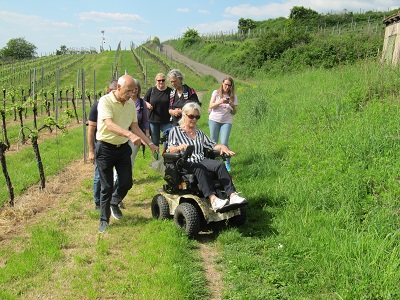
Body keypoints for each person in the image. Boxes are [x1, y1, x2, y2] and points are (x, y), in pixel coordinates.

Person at [96, 75, 159, 233]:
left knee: (127, 182)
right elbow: (109, 125)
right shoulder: (105, 101)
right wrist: (129, 135)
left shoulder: (130, 103)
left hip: (122, 148)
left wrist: (150, 143)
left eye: (134, 91)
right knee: (107, 186)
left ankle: (114, 201)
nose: (131, 94)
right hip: (105, 148)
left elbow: (135, 127)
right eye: (128, 91)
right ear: (118, 87)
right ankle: (104, 220)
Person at [167, 102, 247, 212]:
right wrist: (179, 148)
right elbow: (170, 149)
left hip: (200, 159)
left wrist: (222, 147)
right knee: (199, 168)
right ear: (184, 115)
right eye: (191, 116)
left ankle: (232, 195)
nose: (194, 119)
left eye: (197, 117)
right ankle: (213, 199)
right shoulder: (175, 131)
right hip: (184, 161)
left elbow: (212, 145)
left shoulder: (199, 133)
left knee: (219, 165)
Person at [88, 80, 117, 210]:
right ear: (109, 91)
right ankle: (98, 202)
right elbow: (91, 130)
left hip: (115, 146)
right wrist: (91, 151)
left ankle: (113, 199)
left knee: (116, 176)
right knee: (99, 175)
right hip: (100, 145)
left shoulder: (119, 106)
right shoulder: (97, 106)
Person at [208, 77, 238, 172]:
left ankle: (227, 163)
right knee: (213, 142)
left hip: (226, 120)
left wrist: (232, 105)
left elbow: (235, 112)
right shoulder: (216, 93)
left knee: (224, 142)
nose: (227, 87)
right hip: (214, 119)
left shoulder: (233, 96)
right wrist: (220, 101)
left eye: (229, 85)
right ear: (222, 83)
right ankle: (214, 162)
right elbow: (211, 106)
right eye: (226, 84)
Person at [143, 73, 172, 146]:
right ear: (156, 81)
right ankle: (156, 157)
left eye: (163, 80)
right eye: (159, 80)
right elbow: (144, 100)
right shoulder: (152, 90)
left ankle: (167, 156)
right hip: (153, 120)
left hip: (166, 120)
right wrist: (148, 104)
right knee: (155, 142)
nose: (161, 82)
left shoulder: (170, 91)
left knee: (168, 141)